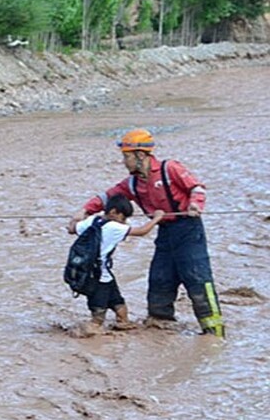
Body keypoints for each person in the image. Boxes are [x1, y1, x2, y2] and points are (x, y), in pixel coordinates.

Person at [73, 128, 224, 337]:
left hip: (189, 230)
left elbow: (197, 187)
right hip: (165, 232)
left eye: (126, 157)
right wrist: (84, 210)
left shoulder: (170, 169)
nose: (124, 162)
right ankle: (160, 329)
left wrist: (195, 205)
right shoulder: (133, 183)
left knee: (197, 278)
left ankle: (214, 333)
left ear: (140, 155)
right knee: (160, 279)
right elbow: (107, 197)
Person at [67, 194, 164, 332]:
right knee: (100, 314)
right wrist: (157, 218)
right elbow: (142, 231)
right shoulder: (114, 227)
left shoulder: (93, 220)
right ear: (113, 213)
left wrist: (77, 217)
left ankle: (122, 323)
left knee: (117, 302)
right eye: (123, 218)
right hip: (99, 276)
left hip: (91, 273)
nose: (124, 222)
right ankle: (93, 330)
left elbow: (72, 229)